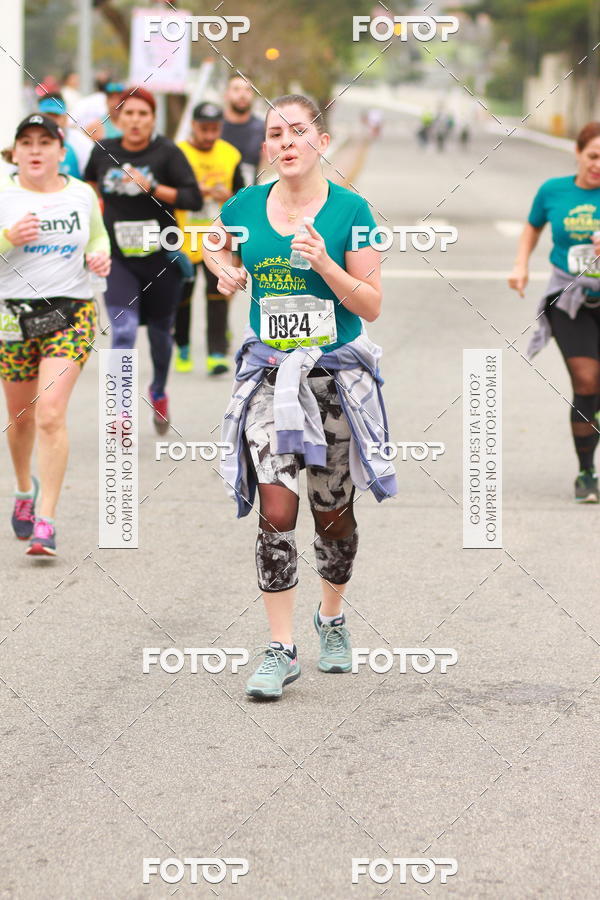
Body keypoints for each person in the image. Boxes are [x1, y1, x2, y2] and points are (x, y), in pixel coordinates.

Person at [204, 94, 397, 699]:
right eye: (275, 134)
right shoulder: (243, 205)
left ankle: (331, 618)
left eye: (297, 131)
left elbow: (370, 304)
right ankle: (280, 648)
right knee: (278, 509)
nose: (285, 142)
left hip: (333, 377)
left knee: (332, 512)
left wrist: (326, 264)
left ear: (322, 142)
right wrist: (223, 269)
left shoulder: (351, 211)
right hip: (270, 377)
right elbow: (212, 243)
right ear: (267, 147)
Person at [0, 114, 110, 556]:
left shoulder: (82, 193)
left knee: (49, 413)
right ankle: (24, 489)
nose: (35, 150)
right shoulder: (4, 193)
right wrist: (8, 237)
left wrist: (99, 258)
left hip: (71, 312)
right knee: (22, 419)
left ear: (60, 151)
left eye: (45, 142)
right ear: (15, 152)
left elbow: (98, 240)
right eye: (26, 142)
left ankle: (46, 519)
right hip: (13, 318)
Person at [84, 87, 202, 433]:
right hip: (117, 257)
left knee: (160, 337)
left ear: (153, 119)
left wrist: (152, 187)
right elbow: (88, 184)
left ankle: (159, 391)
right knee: (122, 330)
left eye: (143, 114)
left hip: (160, 258)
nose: (135, 120)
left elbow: (193, 198)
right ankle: (121, 411)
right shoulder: (104, 150)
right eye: (129, 113)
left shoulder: (167, 153)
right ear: (119, 118)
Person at [509, 121, 600, 502]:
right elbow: (532, 228)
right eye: (593, 156)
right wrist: (521, 265)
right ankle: (586, 473)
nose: (599, 165)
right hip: (568, 299)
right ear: (578, 153)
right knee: (586, 382)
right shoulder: (553, 191)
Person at [174, 102, 244, 375]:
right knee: (183, 296)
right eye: (204, 128)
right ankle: (182, 347)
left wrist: (227, 196)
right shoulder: (177, 153)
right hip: (181, 237)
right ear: (193, 125)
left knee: (218, 293)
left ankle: (216, 353)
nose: (209, 134)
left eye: (214, 128)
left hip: (217, 239)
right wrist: (197, 191)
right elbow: (168, 193)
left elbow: (242, 197)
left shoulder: (230, 154)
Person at [221, 74, 266, 186]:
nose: (242, 95)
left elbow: (268, 168)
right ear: (226, 94)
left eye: (248, 90)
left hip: (249, 195)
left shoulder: (262, 129)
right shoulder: (213, 127)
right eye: (236, 89)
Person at [37, 94, 82, 178]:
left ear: (65, 119)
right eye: (47, 116)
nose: (50, 121)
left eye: (55, 116)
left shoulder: (80, 142)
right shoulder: (26, 141)